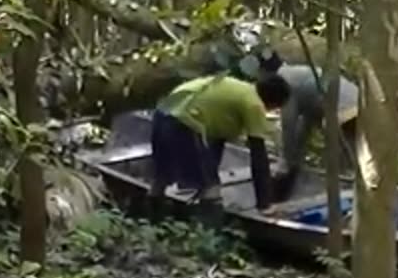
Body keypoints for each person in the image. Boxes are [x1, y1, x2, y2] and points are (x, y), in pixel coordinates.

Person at [148, 73, 292, 221]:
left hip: (163, 114)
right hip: (184, 123)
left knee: (161, 177)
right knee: (212, 189)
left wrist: (209, 171)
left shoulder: (239, 90)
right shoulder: (253, 104)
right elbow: (258, 157)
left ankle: (150, 221)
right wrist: (264, 205)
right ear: (273, 102)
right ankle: (209, 237)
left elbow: (215, 142)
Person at [269, 63, 361, 202]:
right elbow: (304, 127)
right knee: (353, 159)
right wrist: (294, 160)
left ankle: (341, 199)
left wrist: (286, 163)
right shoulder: (302, 76)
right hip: (360, 102)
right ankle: (353, 191)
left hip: (342, 109)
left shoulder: (284, 84)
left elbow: (289, 126)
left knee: (337, 159)